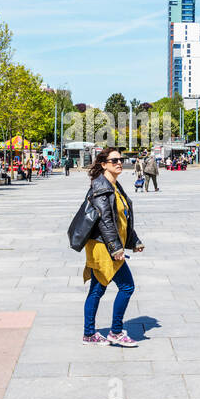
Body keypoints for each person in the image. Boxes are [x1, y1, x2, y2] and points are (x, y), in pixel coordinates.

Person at [78, 147, 143, 347]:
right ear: (104, 164)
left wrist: (134, 240)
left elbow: (122, 219)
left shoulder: (114, 185)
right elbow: (105, 221)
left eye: (120, 159)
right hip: (103, 247)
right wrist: (116, 248)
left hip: (108, 245)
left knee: (97, 290)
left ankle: (89, 334)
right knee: (127, 286)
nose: (119, 163)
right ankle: (115, 331)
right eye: (114, 160)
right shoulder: (101, 186)